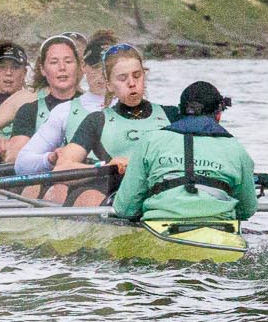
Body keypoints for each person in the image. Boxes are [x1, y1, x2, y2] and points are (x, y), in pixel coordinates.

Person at [110, 81, 257, 226]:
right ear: (218, 115)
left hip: (159, 229)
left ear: (179, 111)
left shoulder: (150, 141)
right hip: (220, 233)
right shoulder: (237, 149)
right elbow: (247, 210)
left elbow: (125, 208)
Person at [50, 44, 175, 206]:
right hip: (115, 195)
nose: (131, 83)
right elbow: (61, 169)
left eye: (137, 76)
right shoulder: (97, 121)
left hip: (162, 191)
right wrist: (104, 167)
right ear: (109, 84)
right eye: (122, 78)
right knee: (87, 195)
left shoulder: (171, 115)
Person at [0, 34, 83, 167]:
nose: (62, 67)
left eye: (68, 61)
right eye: (54, 62)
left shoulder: (94, 104)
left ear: (79, 66)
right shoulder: (27, 101)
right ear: (42, 69)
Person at [13, 30, 117, 177]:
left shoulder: (140, 109)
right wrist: (51, 158)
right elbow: (22, 164)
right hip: (82, 185)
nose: (102, 73)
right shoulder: (64, 111)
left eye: (109, 67)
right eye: (95, 66)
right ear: (83, 67)